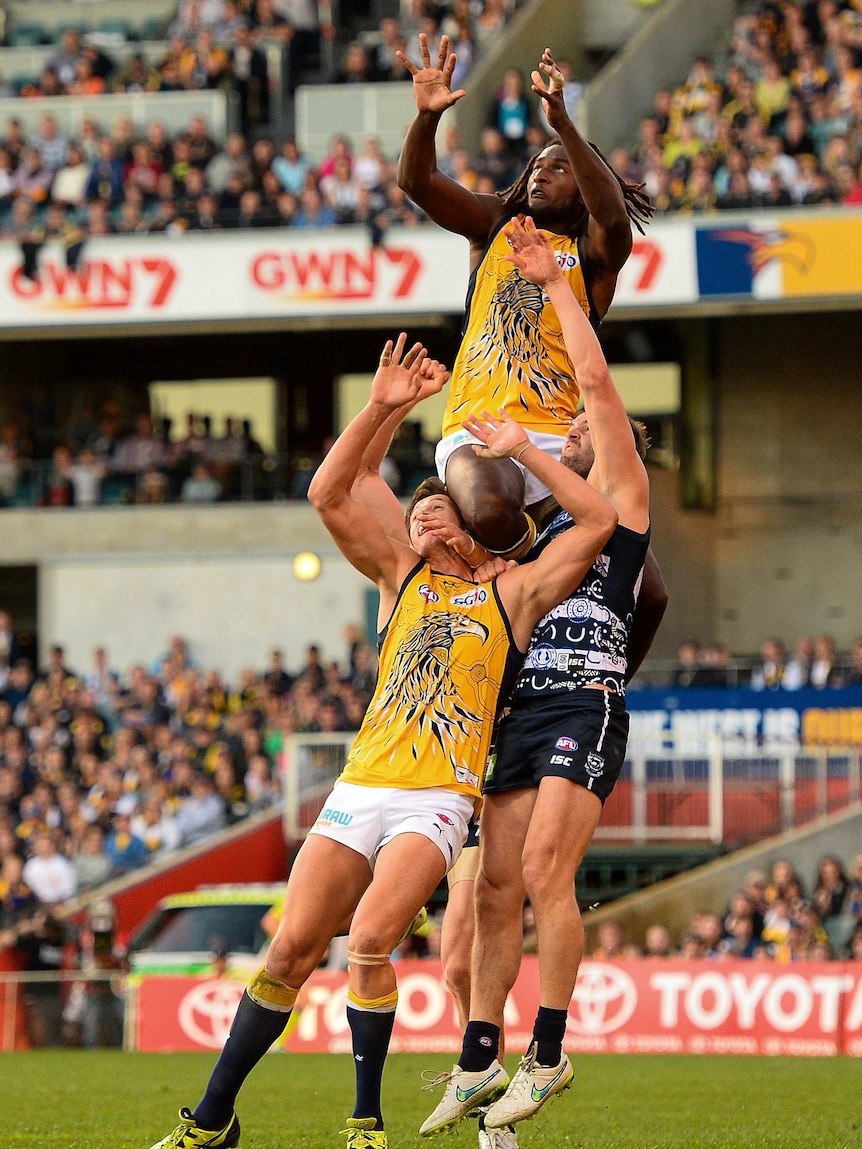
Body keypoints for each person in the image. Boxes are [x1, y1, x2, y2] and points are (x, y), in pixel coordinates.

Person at [147, 333, 617, 1149]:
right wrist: (384, 407)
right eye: (416, 510)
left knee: (369, 938)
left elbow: (601, 518)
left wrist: (525, 456)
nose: (423, 514)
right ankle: (214, 1118)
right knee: (291, 947)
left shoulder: (513, 595)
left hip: (439, 796)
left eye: (439, 507)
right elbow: (331, 493)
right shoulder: (402, 578)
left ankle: (366, 1122)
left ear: (477, 526)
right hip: (361, 784)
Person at [421, 217, 654, 1138]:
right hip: (519, 707)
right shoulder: (541, 524)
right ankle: (479, 1058)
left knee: (550, 871)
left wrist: (558, 284)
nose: (599, 432)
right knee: (491, 888)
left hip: (584, 700)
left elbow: (592, 382)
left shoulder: (621, 502)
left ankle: (547, 1053)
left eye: (608, 434)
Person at [396, 37, 651, 558]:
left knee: (647, 592)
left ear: (583, 184)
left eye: (559, 169)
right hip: (480, 430)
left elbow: (612, 215)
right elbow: (417, 181)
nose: (541, 172)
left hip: (563, 441)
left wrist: (563, 125)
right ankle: (523, 569)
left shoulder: (595, 252)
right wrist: (425, 119)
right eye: (537, 165)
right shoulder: (495, 226)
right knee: (490, 512)